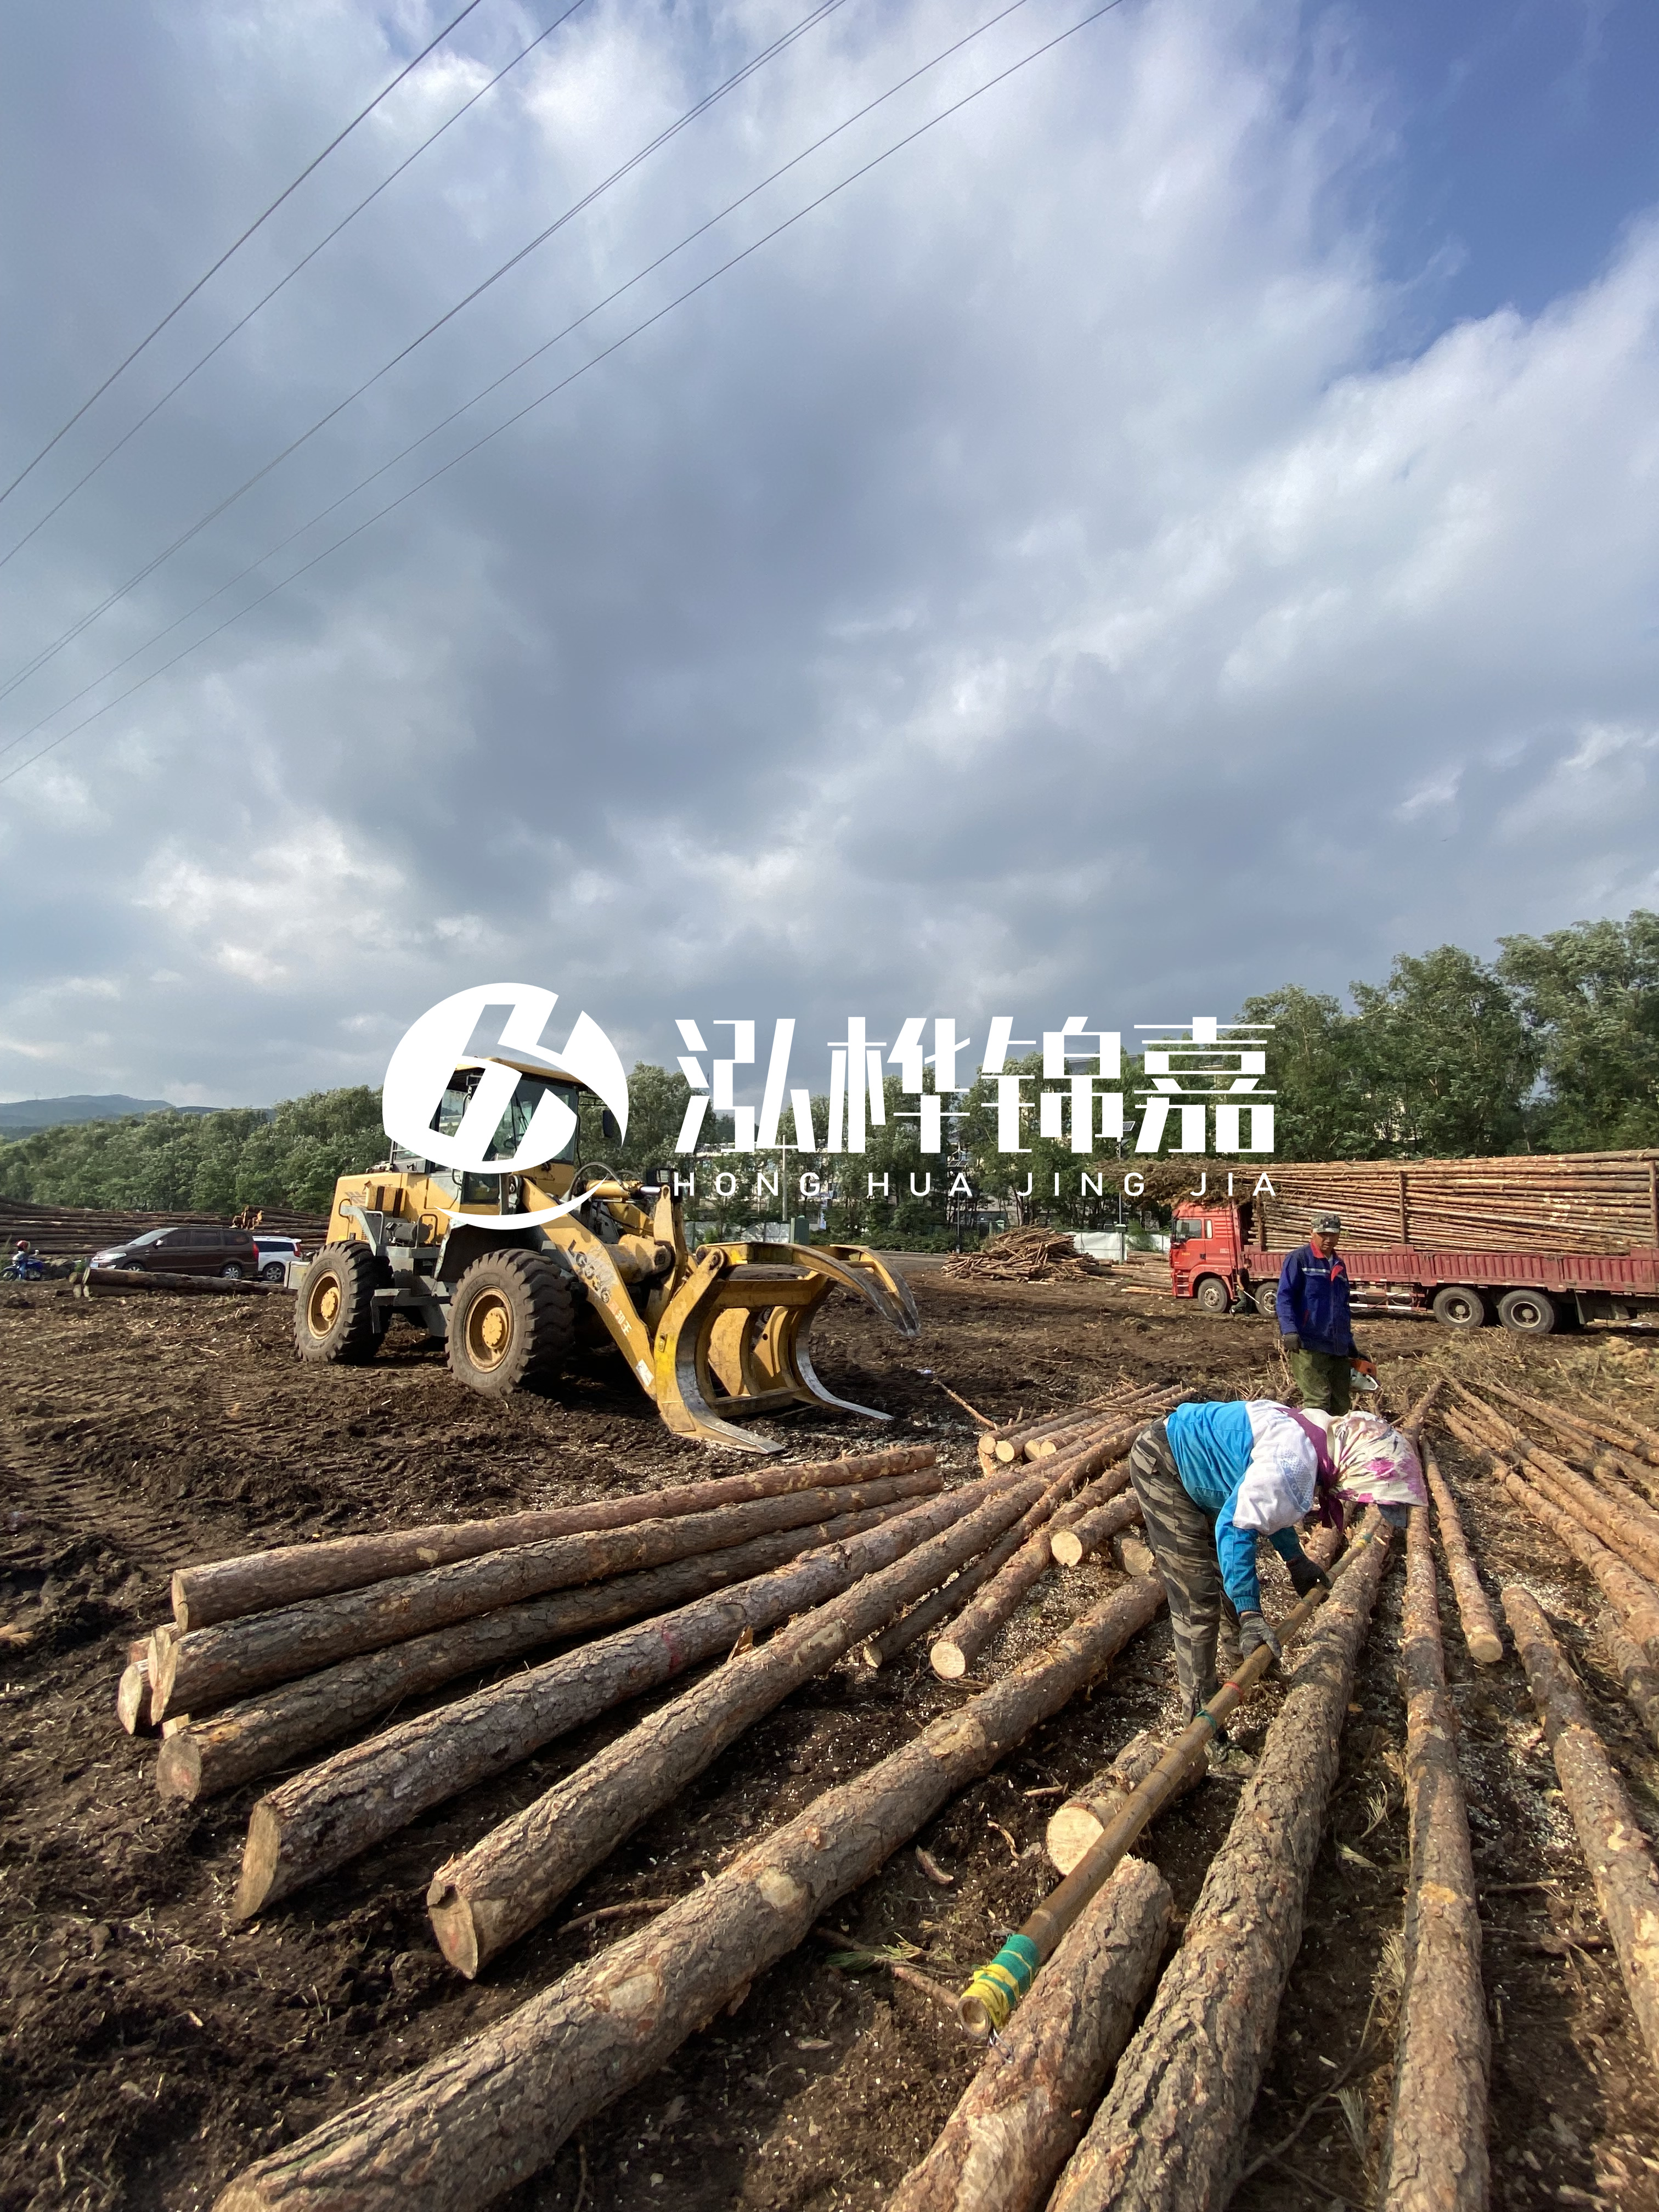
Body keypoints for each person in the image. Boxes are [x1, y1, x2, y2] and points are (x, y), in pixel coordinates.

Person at [1127, 1397, 1426, 1725]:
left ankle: (1249, 1668)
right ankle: (1201, 1719)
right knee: (1196, 1597)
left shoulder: (1313, 1443)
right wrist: (1250, 1612)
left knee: (1226, 1576)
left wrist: (1296, 1560)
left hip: (1204, 1470)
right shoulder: (1293, 1459)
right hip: (1164, 1462)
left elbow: (1272, 1506)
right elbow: (1238, 1525)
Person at [1276, 1211, 1370, 1413]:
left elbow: (1342, 1307)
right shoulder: (1299, 1259)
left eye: (1333, 1234)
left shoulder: (1339, 1265)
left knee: (1341, 1405)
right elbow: (1285, 1297)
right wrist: (1289, 1330)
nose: (1328, 1239)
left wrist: (1350, 1345)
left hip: (1337, 1346)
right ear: (1312, 1232)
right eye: (1323, 1234)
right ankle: (1316, 1435)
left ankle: (1334, 1436)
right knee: (1317, 1403)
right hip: (1310, 1344)